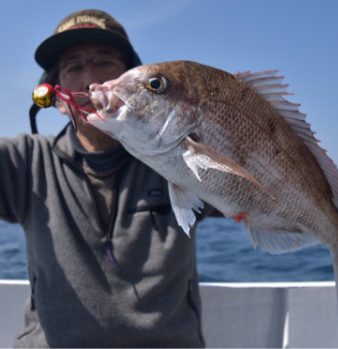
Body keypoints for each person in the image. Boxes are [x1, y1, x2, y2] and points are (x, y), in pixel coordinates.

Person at [0, 9, 209, 347]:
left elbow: (260, 199)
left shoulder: (181, 154)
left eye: (104, 62)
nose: (90, 80)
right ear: (52, 94)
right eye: (74, 66)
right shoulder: (25, 162)